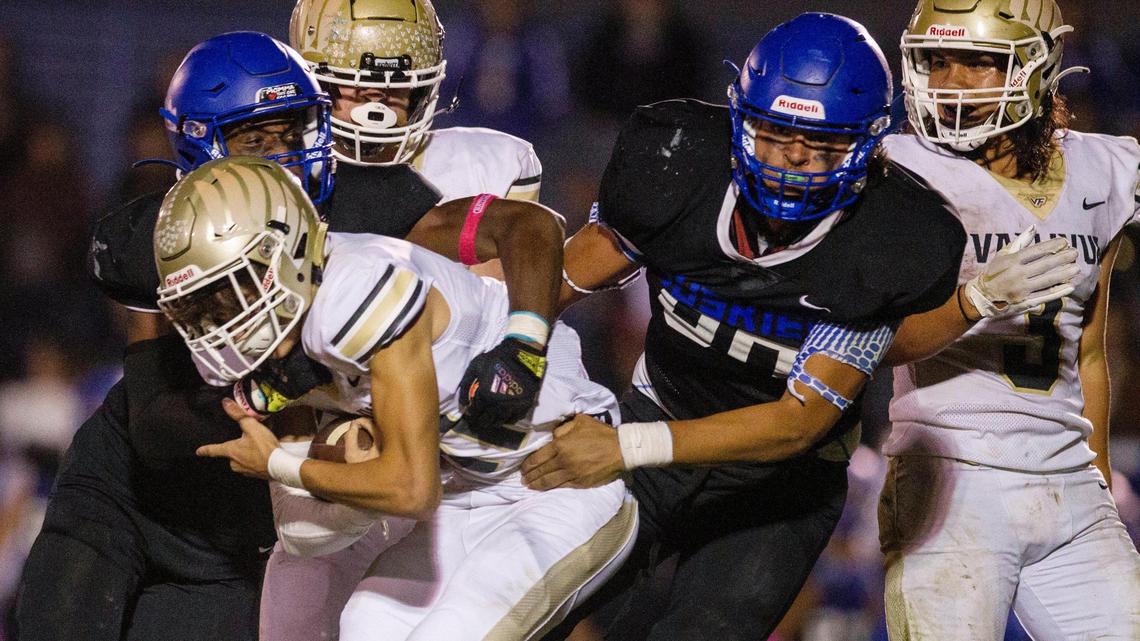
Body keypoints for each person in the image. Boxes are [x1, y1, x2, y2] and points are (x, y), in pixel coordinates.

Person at [517, 13, 1077, 641]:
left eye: (825, 144)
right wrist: (506, 351)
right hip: (658, 414)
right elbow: (555, 285)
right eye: (776, 132)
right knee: (544, 607)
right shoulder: (678, 164)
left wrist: (622, 446)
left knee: (708, 629)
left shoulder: (891, 239)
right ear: (739, 119)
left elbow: (795, 424)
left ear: (868, 145)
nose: (795, 159)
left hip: (781, 482)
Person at [15, 30, 564, 641]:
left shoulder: (379, 204)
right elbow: (152, 425)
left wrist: (525, 341)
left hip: (245, 529)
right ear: (201, 146)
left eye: (293, 129)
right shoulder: (168, 228)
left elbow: (527, 235)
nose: (283, 156)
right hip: (131, 490)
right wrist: (285, 401)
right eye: (255, 139)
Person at [159, 156, 637, 641]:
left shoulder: (353, 294)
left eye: (230, 288)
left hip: (558, 482)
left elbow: (411, 488)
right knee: (365, 627)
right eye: (203, 301)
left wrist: (280, 463)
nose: (220, 316)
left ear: (283, 250)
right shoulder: (301, 322)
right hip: (466, 492)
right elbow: (313, 524)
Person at [875, 1, 1140, 638]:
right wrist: (974, 304)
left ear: (1036, 68)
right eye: (938, 60)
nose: (950, 80)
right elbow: (872, 342)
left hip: (1068, 482)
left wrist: (1096, 474)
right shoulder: (905, 172)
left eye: (976, 62)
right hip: (951, 477)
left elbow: (1091, 352)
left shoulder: (1103, 170)